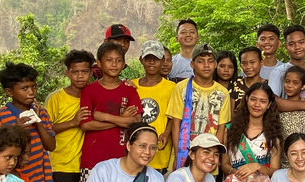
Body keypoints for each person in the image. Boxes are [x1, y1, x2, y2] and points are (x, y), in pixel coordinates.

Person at [46, 50, 93, 182]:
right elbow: (47, 129)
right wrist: (74, 122)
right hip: (60, 162)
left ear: (91, 72)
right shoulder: (56, 98)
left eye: (85, 71)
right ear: (68, 73)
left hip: (85, 163)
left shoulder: (93, 94)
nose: (80, 76)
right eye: (76, 72)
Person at [79, 41, 142, 173]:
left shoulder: (129, 90)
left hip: (123, 160)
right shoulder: (89, 90)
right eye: (109, 60)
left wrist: (104, 117)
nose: (114, 64)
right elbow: (86, 125)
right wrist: (121, 119)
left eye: (118, 60)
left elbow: (135, 121)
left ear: (124, 64)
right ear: (99, 63)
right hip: (92, 159)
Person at [166, 43, 232, 168]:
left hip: (209, 158)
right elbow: (176, 124)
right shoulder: (181, 88)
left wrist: (214, 156)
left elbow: (221, 129)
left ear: (215, 64)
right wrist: (177, 155)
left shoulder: (222, 93)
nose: (206, 65)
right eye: (201, 61)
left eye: (210, 61)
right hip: (183, 153)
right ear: (192, 64)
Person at [134, 41, 178, 172]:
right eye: (148, 59)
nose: (152, 63)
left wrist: (166, 133)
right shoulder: (132, 85)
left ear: (163, 60)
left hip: (160, 149)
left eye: (156, 59)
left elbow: (173, 116)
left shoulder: (171, 87)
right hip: (137, 149)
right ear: (141, 60)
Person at [277, 64, 305, 138]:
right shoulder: (280, 104)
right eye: (287, 81)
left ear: (303, 86)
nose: (289, 85)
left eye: (295, 83)